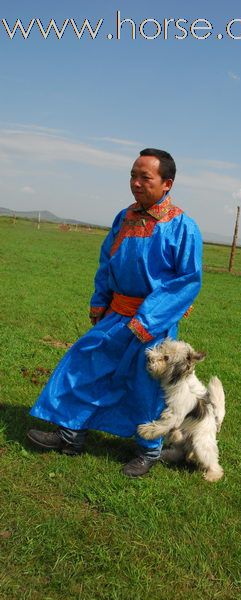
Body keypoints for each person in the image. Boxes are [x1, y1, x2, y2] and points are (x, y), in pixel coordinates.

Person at [27, 148, 203, 477]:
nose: (136, 183)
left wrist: (147, 321)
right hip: (115, 313)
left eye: (144, 177)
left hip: (154, 326)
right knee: (85, 365)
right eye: (133, 176)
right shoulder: (124, 217)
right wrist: (100, 300)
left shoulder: (183, 227)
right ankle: (71, 434)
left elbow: (187, 281)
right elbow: (108, 260)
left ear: (167, 183)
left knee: (144, 386)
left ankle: (148, 451)